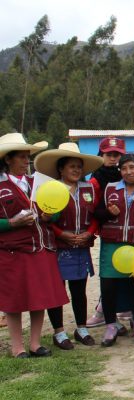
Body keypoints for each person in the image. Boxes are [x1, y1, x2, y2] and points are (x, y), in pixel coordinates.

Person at [0, 133, 66, 358]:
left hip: (41, 248)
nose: (25, 161)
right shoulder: (0, 186)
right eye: (20, 157)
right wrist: (11, 223)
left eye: (27, 157)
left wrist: (50, 216)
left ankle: (35, 343)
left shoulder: (37, 183)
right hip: (14, 251)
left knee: (40, 297)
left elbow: (55, 211)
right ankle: (17, 347)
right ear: (8, 159)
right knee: (15, 300)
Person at [35, 143, 103, 349]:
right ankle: (59, 332)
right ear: (61, 169)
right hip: (57, 247)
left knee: (79, 289)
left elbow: (96, 216)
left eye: (79, 167)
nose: (76, 170)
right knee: (56, 289)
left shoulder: (88, 188)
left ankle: (81, 328)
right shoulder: (50, 189)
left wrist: (89, 233)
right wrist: (62, 234)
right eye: (72, 166)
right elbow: (45, 218)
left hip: (81, 246)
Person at [95, 153, 134, 346]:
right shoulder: (109, 189)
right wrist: (107, 212)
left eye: (132, 167)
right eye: (123, 168)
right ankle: (111, 326)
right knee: (108, 287)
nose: (128, 172)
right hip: (111, 245)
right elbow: (95, 213)